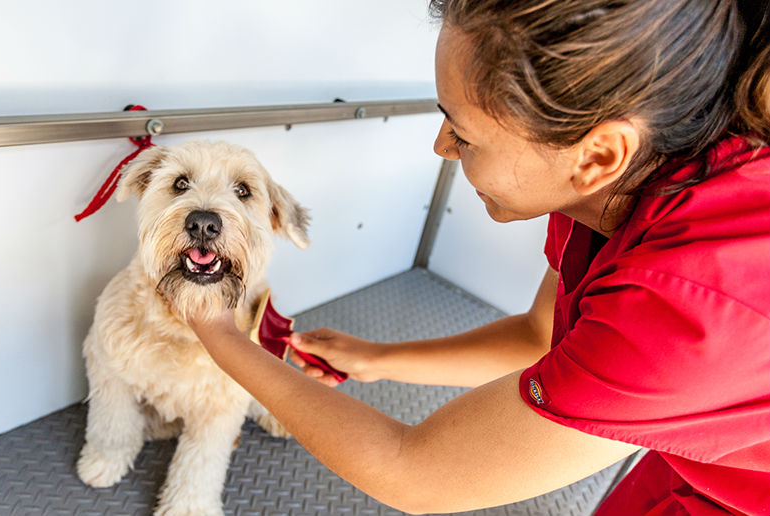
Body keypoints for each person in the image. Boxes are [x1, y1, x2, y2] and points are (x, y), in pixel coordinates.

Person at [189, 1, 770, 514]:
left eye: (463, 134)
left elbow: (412, 472)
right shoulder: (614, 179)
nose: (441, 146)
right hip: (695, 467)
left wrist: (218, 332)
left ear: (597, 156)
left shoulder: (691, 314)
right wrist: (375, 358)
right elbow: (542, 336)